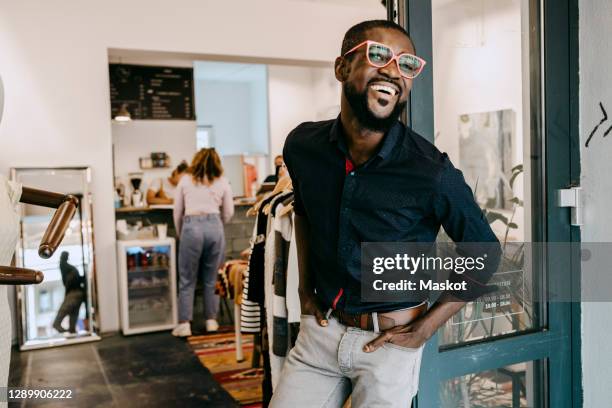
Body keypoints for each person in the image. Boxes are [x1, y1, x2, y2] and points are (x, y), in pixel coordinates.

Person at [270, 20, 501, 407]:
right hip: (319, 336)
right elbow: (305, 212)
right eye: (379, 55)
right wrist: (304, 290)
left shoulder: (431, 171)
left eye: (407, 64)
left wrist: (426, 328)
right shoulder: (302, 145)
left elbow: (486, 254)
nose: (394, 71)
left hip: (389, 345)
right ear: (342, 68)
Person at [172, 148, 234, 337]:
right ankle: (211, 321)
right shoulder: (223, 181)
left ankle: (185, 324)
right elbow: (229, 212)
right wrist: (215, 224)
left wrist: (182, 233)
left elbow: (177, 211)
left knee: (187, 279)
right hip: (215, 226)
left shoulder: (185, 180)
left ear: (195, 161)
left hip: (191, 228)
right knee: (212, 278)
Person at [53, 251, 85, 335]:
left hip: (75, 293)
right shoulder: (65, 266)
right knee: (73, 313)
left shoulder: (69, 268)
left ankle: (69, 328)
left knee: (68, 310)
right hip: (76, 293)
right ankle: (71, 330)